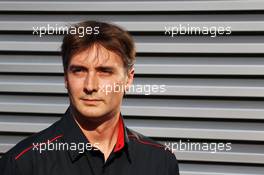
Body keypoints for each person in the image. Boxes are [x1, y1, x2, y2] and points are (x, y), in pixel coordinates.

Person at [0, 21, 179, 175]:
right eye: (79, 71)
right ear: (65, 78)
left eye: (104, 71)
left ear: (128, 79)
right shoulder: (22, 164)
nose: (90, 86)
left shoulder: (160, 162)